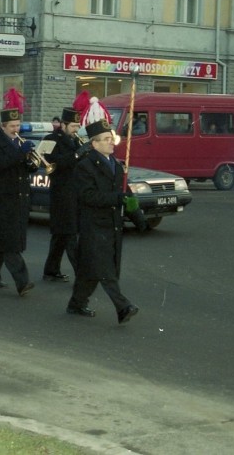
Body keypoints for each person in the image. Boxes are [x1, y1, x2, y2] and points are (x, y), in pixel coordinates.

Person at [67, 99, 140, 324]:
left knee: (92, 270)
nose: (112, 143)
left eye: (112, 139)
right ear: (95, 143)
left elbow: (123, 190)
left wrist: (137, 214)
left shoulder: (115, 164)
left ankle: (76, 303)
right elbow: (87, 196)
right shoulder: (85, 166)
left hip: (112, 224)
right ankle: (122, 307)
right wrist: (116, 198)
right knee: (105, 269)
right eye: (107, 139)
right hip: (93, 224)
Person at [0, 88, 36, 297]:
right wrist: (20, 154)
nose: (16, 129)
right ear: (3, 126)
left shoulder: (18, 142)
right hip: (3, 196)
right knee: (10, 241)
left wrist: (30, 161)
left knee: (2, 241)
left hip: (20, 196)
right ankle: (22, 281)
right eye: (12, 126)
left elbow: (23, 167)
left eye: (18, 126)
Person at [41, 92, 92, 282]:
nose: (76, 129)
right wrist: (78, 155)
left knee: (60, 236)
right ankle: (82, 274)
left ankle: (50, 270)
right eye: (73, 126)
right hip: (61, 194)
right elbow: (53, 163)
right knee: (70, 235)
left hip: (74, 192)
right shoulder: (51, 139)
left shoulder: (75, 140)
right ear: (62, 125)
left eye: (78, 126)